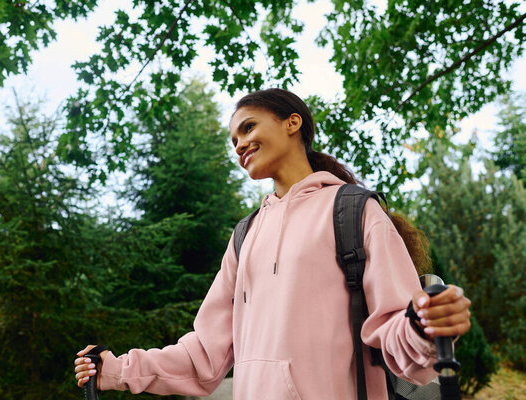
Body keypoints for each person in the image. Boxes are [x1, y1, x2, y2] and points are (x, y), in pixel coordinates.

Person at [74, 88, 472, 399]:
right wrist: (115, 369)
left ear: (292, 123)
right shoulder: (244, 235)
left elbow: (393, 336)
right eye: (233, 139)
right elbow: (205, 354)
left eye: (248, 128)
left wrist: (424, 325)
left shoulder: (354, 211)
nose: (239, 145)